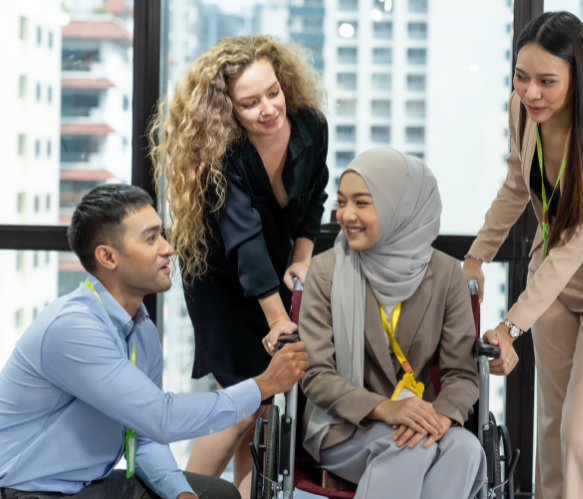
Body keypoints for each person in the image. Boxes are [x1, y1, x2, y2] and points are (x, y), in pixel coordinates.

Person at [0, 184, 308, 499]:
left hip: (88, 485)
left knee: (217, 494)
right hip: (25, 490)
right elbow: (161, 418)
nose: (168, 248)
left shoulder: (141, 331)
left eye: (162, 234)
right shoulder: (73, 328)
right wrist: (264, 385)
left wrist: (180, 494)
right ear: (107, 256)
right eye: (150, 238)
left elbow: (145, 436)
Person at [463, 12, 583, 499]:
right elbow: (517, 185)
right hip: (553, 290)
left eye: (547, 82)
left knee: (581, 437)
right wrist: (476, 256)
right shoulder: (523, 111)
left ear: (580, 77)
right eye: (522, 77)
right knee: (552, 435)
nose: (531, 93)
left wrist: (511, 326)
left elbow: (582, 239)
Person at [148, 35, 328, 495]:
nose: (268, 109)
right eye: (249, 103)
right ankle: (181, 493)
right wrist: (277, 319)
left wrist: (303, 255)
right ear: (226, 109)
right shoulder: (224, 155)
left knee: (267, 405)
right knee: (242, 403)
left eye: (274, 92)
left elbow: (316, 197)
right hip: (223, 281)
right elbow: (242, 241)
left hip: (275, 267)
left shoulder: (310, 127)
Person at [298, 148, 487, 499]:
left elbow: (462, 374)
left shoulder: (447, 275)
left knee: (466, 450)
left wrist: (441, 418)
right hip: (345, 426)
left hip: (421, 419)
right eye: (341, 202)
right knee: (412, 448)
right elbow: (316, 375)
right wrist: (387, 409)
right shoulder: (326, 273)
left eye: (362, 203)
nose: (346, 215)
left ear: (401, 208)